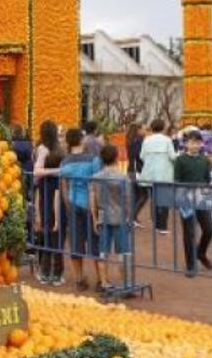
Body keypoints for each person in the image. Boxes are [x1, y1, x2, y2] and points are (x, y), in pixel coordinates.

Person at [60, 128, 103, 291]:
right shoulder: (93, 159)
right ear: (81, 140)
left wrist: (67, 205)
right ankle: (100, 280)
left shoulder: (65, 162)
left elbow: (64, 186)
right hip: (91, 205)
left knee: (76, 242)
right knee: (96, 243)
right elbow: (97, 183)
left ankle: (79, 279)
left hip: (73, 203)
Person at [174, 129, 212, 277]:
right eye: (191, 142)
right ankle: (190, 265)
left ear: (201, 144)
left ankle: (201, 253)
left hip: (202, 198)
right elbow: (176, 181)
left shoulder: (204, 160)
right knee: (189, 232)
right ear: (186, 144)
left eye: (197, 142)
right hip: (186, 200)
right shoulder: (180, 160)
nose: (195, 145)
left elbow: (207, 180)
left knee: (209, 230)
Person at [92, 144, 131, 289]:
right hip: (120, 216)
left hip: (103, 215)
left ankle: (104, 282)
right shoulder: (123, 177)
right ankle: (126, 283)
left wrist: (95, 217)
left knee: (103, 251)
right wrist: (128, 216)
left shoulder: (96, 177)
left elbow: (94, 198)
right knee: (123, 253)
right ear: (116, 157)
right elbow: (127, 199)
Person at [33, 121, 65, 285]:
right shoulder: (57, 149)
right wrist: (58, 172)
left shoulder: (45, 148)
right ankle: (55, 271)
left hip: (48, 191)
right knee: (55, 229)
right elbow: (37, 171)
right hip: (56, 190)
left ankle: (49, 271)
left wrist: (52, 172)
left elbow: (37, 172)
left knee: (49, 229)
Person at [139, 119, 177, 234]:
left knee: (154, 199)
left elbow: (142, 156)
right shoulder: (167, 140)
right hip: (163, 174)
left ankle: (156, 224)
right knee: (163, 200)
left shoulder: (146, 140)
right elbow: (172, 156)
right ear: (163, 127)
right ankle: (162, 226)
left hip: (149, 174)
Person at [125, 123, 148, 226]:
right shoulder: (138, 141)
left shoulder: (130, 140)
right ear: (138, 130)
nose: (145, 131)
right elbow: (139, 156)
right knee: (144, 195)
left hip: (131, 169)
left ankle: (133, 218)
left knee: (136, 195)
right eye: (144, 129)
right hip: (137, 171)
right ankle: (131, 217)